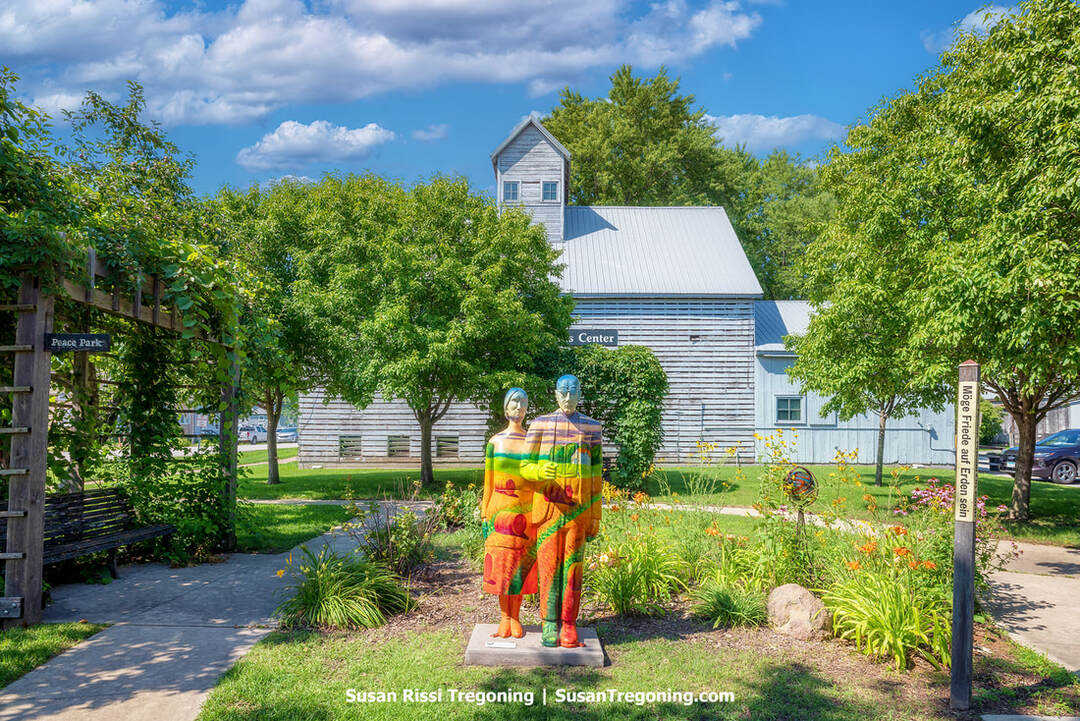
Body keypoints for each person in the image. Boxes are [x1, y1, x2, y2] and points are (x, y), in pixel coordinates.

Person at [521, 374, 603, 648]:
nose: (568, 399)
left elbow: (595, 475)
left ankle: (569, 623)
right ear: (555, 394)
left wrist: (595, 515)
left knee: (573, 569)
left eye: (573, 392)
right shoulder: (540, 424)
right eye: (563, 393)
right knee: (548, 568)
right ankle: (548, 621)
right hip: (549, 511)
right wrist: (538, 470)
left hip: (578, 512)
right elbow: (524, 467)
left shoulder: (592, 428)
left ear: (581, 393)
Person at [480, 387, 537, 638]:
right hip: (498, 513)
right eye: (514, 402)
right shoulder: (495, 442)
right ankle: (504, 617)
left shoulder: (532, 442)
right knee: (501, 568)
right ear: (505, 407)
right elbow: (488, 481)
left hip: (526, 514)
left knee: (520, 567)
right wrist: (484, 514)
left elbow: (536, 480)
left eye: (523, 403)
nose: (519, 407)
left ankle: (517, 616)